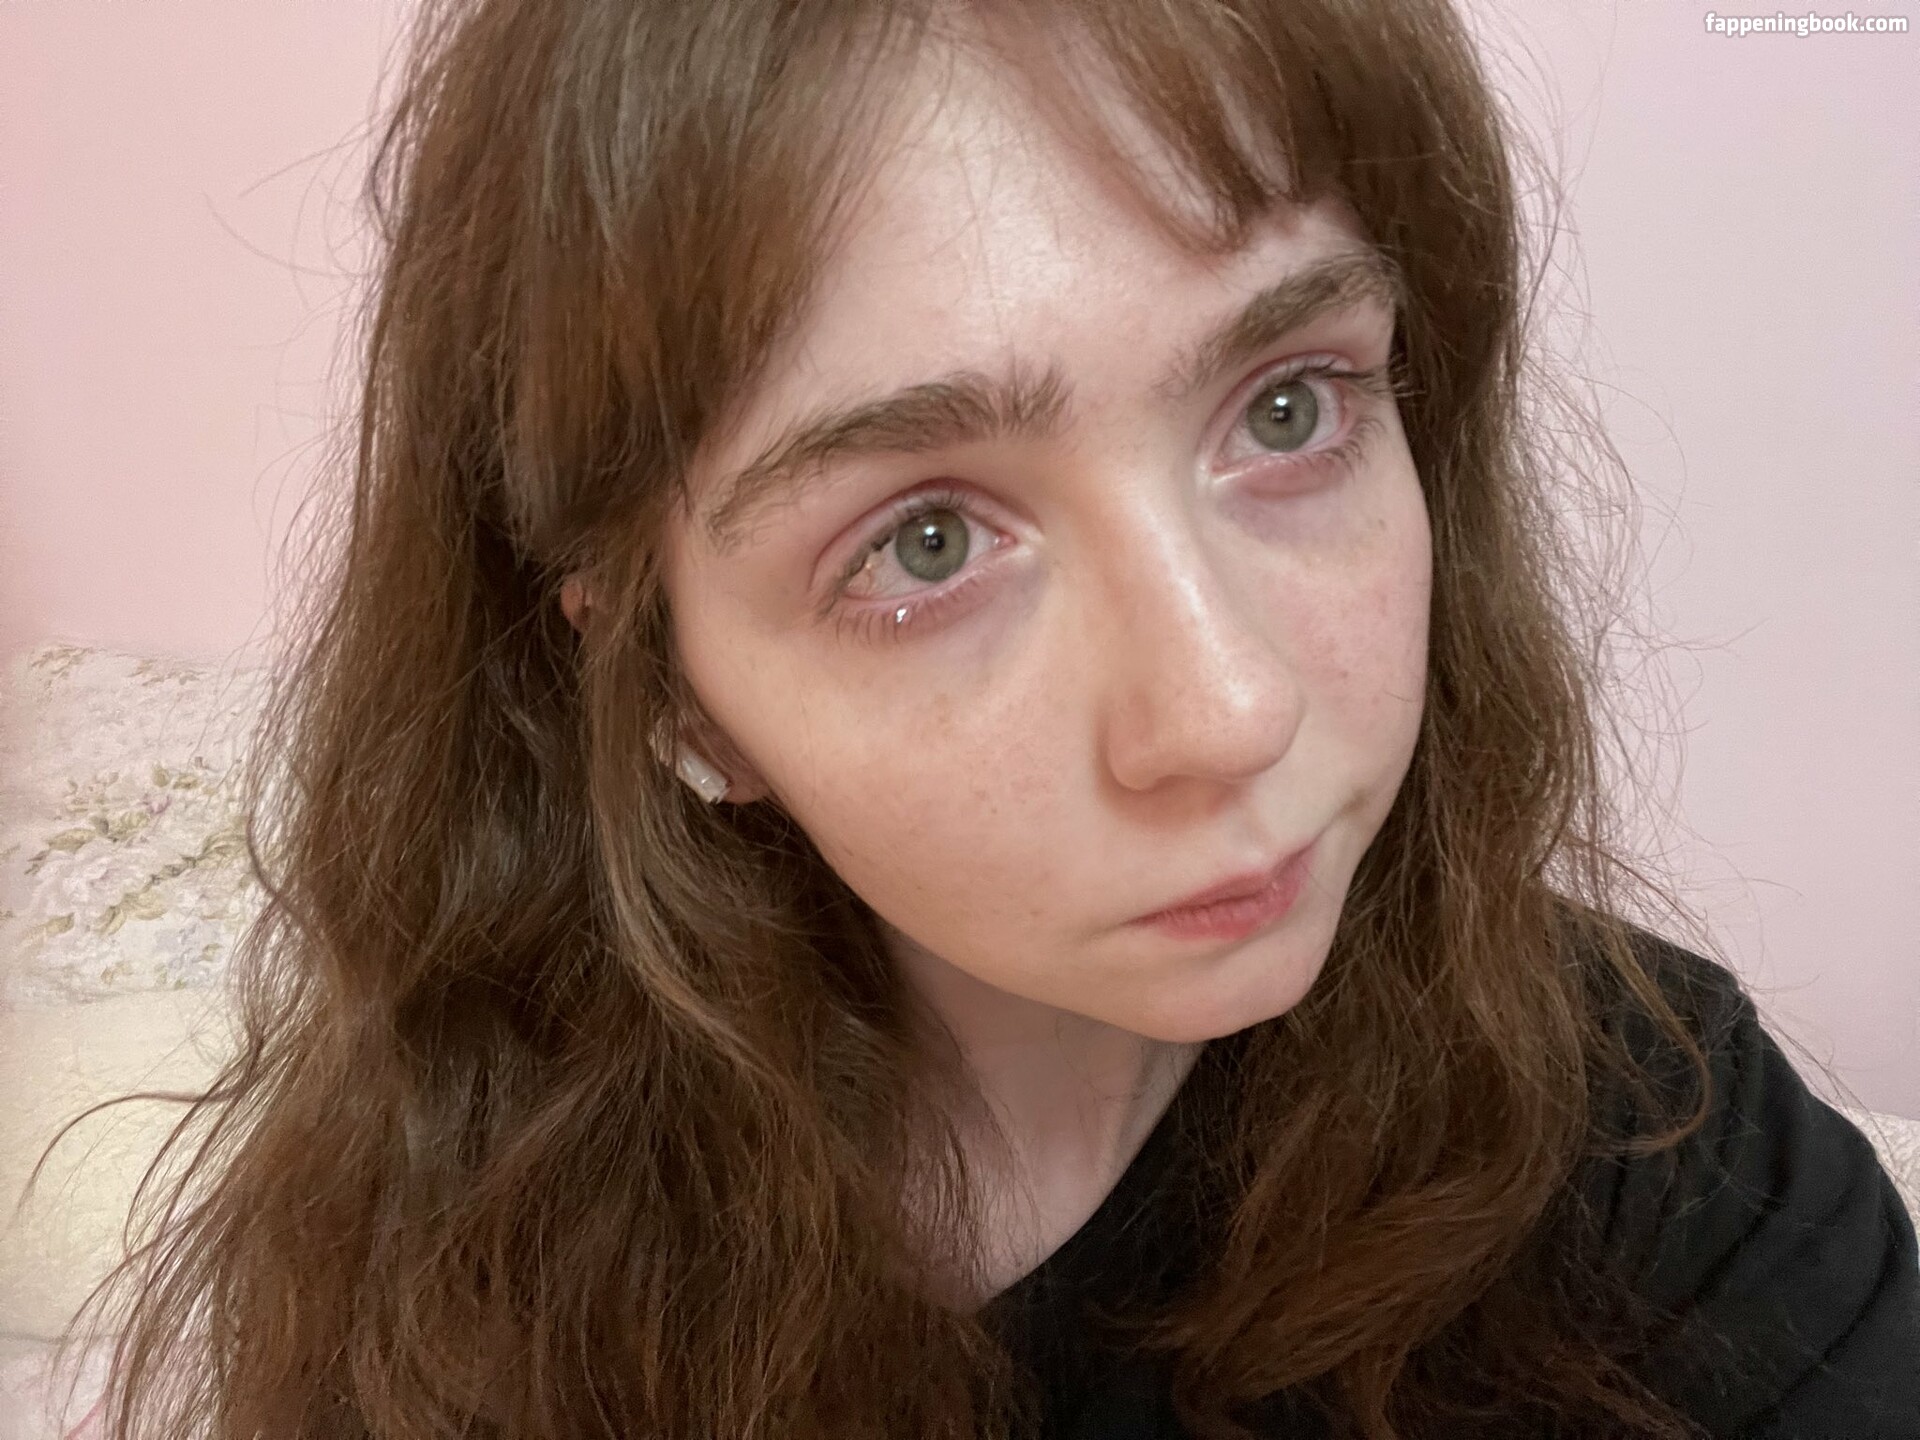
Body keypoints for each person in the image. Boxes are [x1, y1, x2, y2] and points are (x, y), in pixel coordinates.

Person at [45, 0, 1917, 1436]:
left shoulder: (1675, 1166)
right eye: (926, 541)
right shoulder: (453, 1287)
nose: (1230, 706)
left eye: (1287, 409)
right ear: (677, 697)